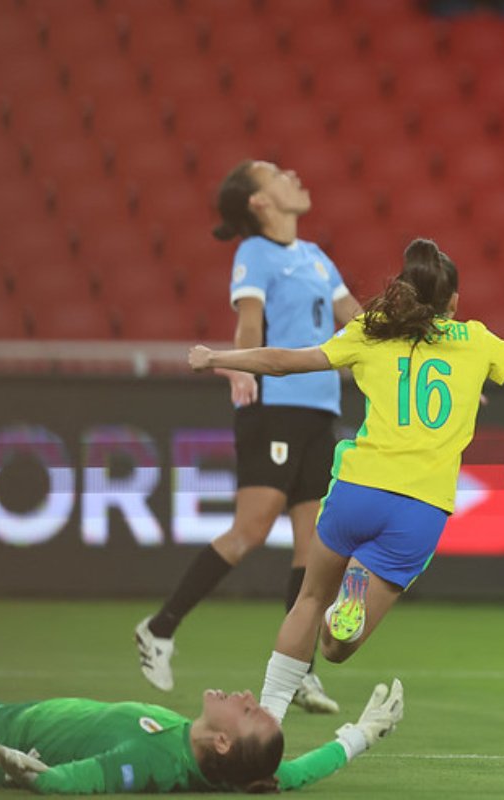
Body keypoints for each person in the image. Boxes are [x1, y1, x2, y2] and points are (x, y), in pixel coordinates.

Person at [186, 238, 504, 722]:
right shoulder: (479, 342)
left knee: (310, 599)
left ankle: (268, 721)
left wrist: (216, 358)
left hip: (358, 490)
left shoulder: (369, 333)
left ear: (403, 290)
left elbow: (287, 361)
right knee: (337, 647)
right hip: (420, 507)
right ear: (454, 302)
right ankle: (351, 600)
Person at [135, 159, 362, 714]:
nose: (294, 175)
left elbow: (356, 316)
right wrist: (238, 363)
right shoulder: (255, 255)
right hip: (275, 408)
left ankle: (300, 669)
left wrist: (417, 356)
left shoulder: (315, 256)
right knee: (251, 530)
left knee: (315, 547)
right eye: (277, 174)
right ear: (259, 203)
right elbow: (249, 321)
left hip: (318, 410)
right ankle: (158, 629)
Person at [0, 679, 403, 794]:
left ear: (223, 742)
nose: (247, 696)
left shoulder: (151, 758)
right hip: (27, 718)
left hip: (1, 732)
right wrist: (360, 734)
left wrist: (28, 772)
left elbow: (77, 784)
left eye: (249, 711)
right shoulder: (242, 772)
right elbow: (297, 773)